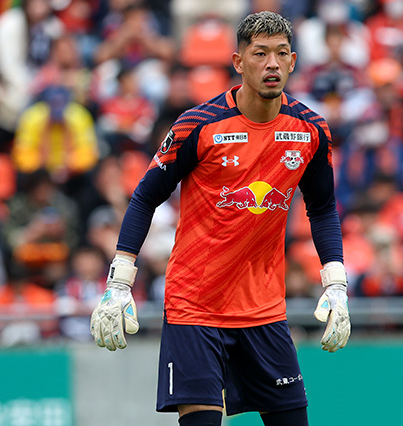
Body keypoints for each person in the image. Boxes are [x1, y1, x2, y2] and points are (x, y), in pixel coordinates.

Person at [90, 11, 350, 426]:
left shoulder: (311, 130)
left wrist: (336, 284)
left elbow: (321, 208)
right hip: (194, 308)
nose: (272, 64)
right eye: (260, 53)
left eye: (281, 53)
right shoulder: (198, 125)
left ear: (293, 61)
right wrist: (119, 282)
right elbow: (144, 197)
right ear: (238, 62)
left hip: (264, 310)